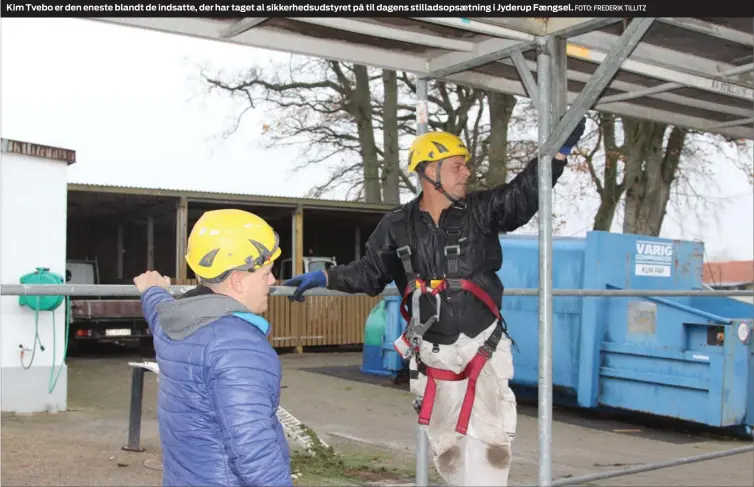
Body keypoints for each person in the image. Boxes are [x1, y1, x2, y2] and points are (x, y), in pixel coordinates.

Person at [282, 119, 586, 486]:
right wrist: (326, 277)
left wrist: (555, 156)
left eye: (466, 165)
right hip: (434, 352)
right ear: (430, 171)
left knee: (491, 443)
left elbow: (524, 196)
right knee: (449, 451)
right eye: (457, 165)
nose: (467, 172)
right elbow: (370, 272)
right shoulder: (397, 225)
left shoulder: (482, 210)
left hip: (481, 345)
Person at [133, 208, 293, 487]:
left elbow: (157, 310)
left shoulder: (175, 326)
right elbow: (254, 452)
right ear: (238, 280)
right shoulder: (239, 347)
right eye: (267, 272)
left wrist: (151, 289)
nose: (272, 281)